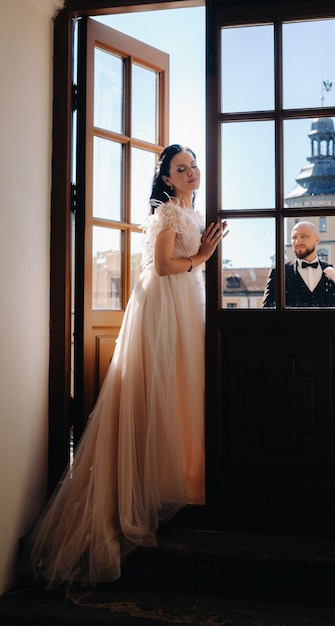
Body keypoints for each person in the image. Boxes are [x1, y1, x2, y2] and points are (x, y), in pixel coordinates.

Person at [21, 144, 228, 589]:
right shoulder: (168, 213)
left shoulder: (194, 214)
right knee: (164, 388)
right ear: (167, 178)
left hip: (187, 306)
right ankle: (154, 485)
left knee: (187, 389)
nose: (191, 172)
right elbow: (161, 264)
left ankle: (189, 480)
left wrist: (204, 255)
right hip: (164, 309)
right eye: (181, 168)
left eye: (193, 165)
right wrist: (201, 259)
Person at [262, 220, 335, 308]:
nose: (298, 241)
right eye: (294, 237)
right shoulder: (278, 273)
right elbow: (267, 312)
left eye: (304, 236)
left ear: (317, 240)